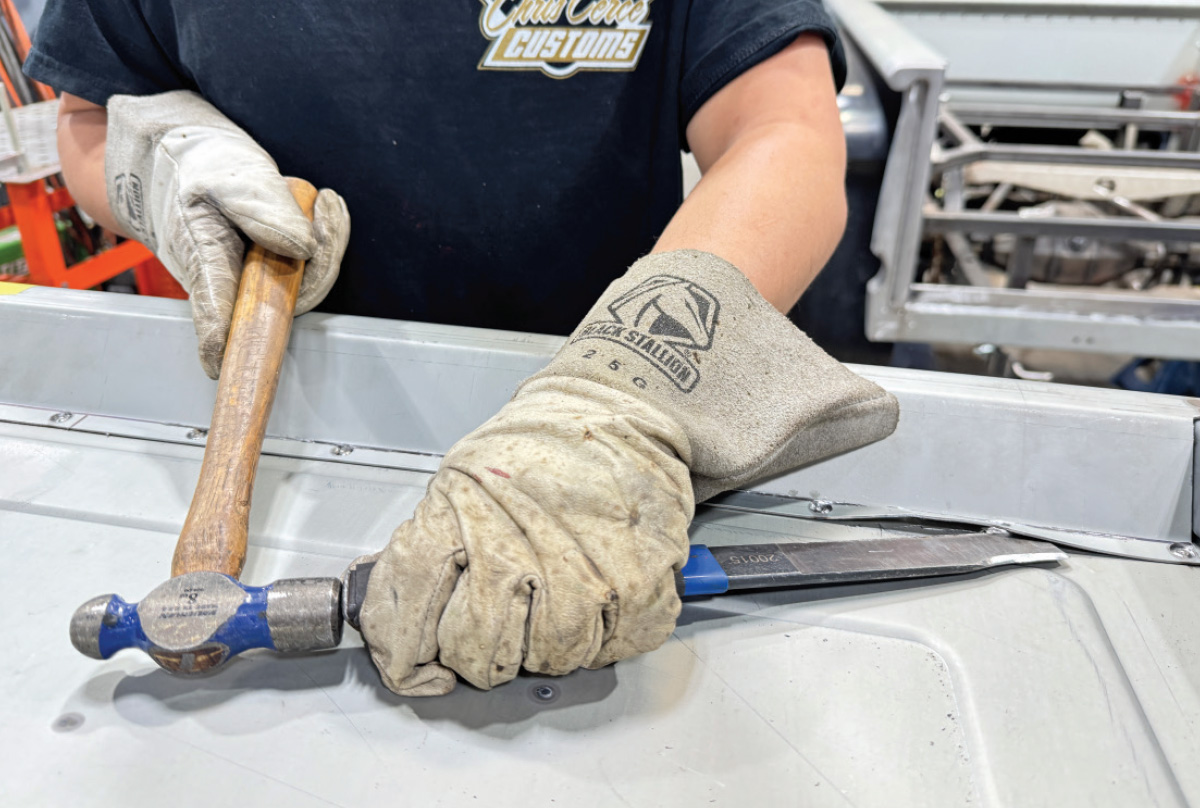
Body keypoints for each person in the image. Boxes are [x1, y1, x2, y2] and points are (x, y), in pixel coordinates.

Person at [28, 0, 899, 696]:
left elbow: (783, 132)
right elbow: (87, 118)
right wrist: (165, 175)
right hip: (294, 426)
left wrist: (619, 403)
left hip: (596, 443)